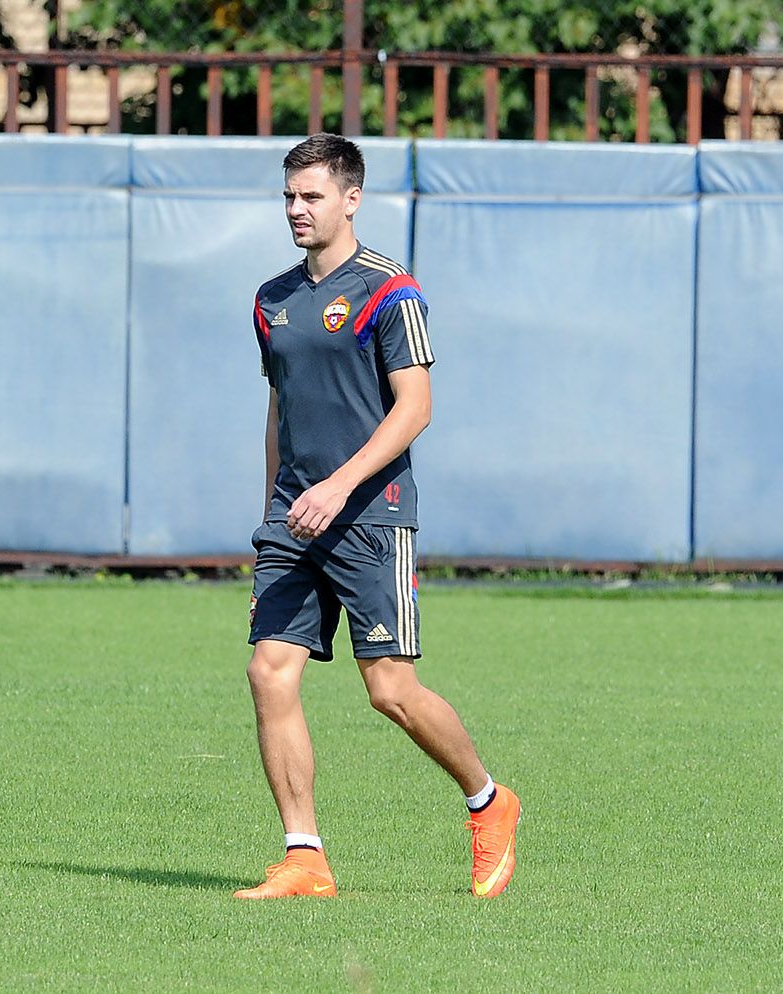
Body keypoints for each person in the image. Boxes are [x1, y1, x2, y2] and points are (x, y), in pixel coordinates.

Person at [235, 133, 520, 900]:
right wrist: (273, 514)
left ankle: (488, 802)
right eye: (289, 196)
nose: (296, 209)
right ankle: (304, 858)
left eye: (312, 196)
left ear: (352, 199)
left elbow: (415, 408)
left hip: (370, 515)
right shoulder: (271, 300)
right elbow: (279, 410)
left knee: (390, 689)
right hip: (294, 518)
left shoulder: (391, 292)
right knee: (269, 671)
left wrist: (338, 486)